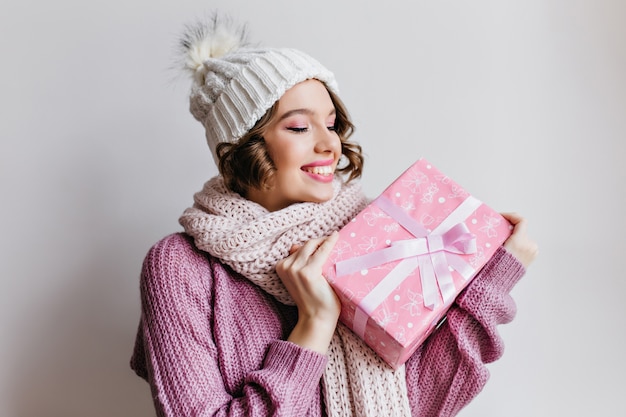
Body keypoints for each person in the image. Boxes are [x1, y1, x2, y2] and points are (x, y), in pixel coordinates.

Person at [130, 15, 538, 417]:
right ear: (242, 145)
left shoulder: (369, 238)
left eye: (331, 124)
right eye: (298, 128)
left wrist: (495, 275)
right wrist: (315, 323)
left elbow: (424, 399)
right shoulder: (181, 268)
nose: (331, 145)